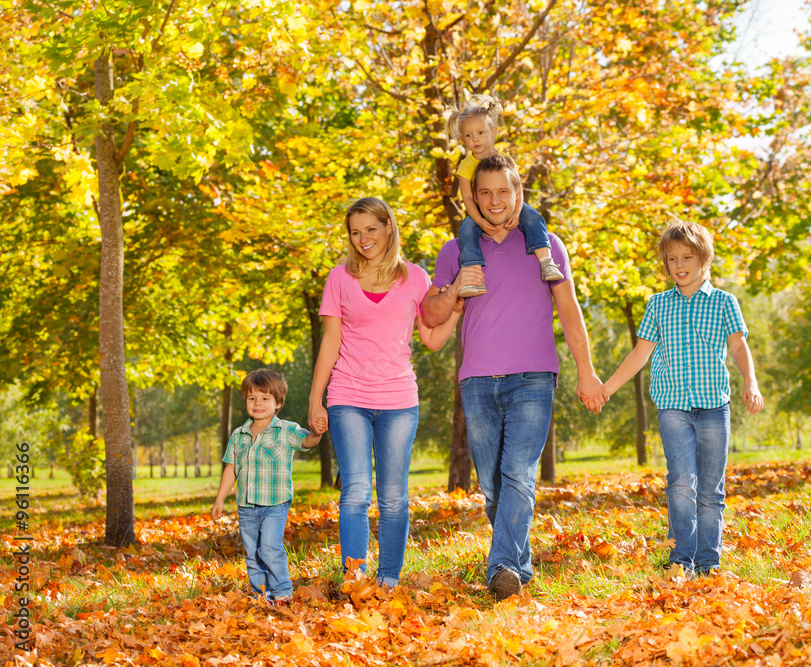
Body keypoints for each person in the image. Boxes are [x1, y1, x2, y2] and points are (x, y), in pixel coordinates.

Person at [422, 154, 605, 601]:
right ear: (474, 198)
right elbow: (428, 315)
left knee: (519, 475)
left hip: (534, 377)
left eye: (503, 191)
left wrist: (587, 370)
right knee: (494, 487)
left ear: (518, 193)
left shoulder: (545, 246)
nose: (494, 200)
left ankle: (500, 565)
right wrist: (454, 288)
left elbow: (569, 310)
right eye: (484, 192)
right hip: (478, 380)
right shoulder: (455, 250)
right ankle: (517, 567)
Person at [307, 197, 461, 588]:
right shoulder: (339, 278)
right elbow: (330, 342)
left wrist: (456, 310)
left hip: (398, 400)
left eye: (370, 229)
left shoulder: (416, 278)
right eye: (355, 232)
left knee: (393, 496)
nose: (363, 239)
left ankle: (389, 577)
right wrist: (316, 398)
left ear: (388, 227)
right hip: (348, 395)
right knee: (355, 491)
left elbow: (430, 339)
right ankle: (355, 576)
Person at [602, 220, 764, 576]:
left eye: (686, 256)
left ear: (704, 260)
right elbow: (640, 354)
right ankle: (681, 560)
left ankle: (709, 562)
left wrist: (750, 382)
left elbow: (738, 346)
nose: (678, 265)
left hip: (713, 408)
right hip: (672, 406)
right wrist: (606, 388)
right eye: (671, 259)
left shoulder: (724, 302)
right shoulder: (658, 305)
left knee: (710, 490)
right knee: (681, 483)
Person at [212, 368, 322, 605]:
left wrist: (317, 432)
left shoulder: (285, 430)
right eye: (252, 398)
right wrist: (220, 498)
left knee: (270, 547)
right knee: (253, 554)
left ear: (278, 403)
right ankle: (261, 595)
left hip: (275, 503)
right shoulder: (238, 435)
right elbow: (231, 468)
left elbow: (306, 442)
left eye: (265, 398)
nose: (257, 403)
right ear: (245, 401)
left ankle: (282, 591)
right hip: (246, 506)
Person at [446, 94, 564, 297]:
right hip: (479, 210)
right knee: (466, 230)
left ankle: (546, 261)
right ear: (462, 138)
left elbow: (518, 191)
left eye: (480, 132)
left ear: (493, 132)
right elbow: (466, 198)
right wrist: (479, 221)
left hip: (511, 206)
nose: (474, 139)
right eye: (468, 135)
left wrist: (517, 214)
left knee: (533, 217)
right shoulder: (466, 166)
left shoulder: (505, 160)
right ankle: (473, 274)